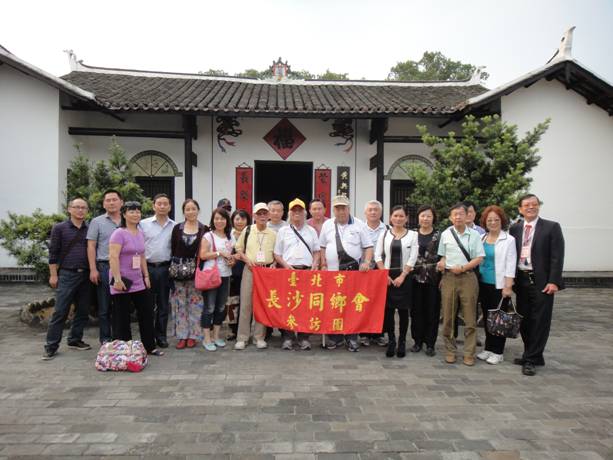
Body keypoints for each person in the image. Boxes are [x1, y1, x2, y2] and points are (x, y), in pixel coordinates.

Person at [509, 194, 564, 376]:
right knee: (524, 320)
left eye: (534, 204)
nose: (530, 207)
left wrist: (554, 281)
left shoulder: (551, 227)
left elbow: (557, 256)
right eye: (526, 205)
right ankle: (532, 354)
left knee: (540, 321)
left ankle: (531, 359)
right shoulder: (515, 229)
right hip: (522, 280)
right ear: (520, 209)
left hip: (542, 282)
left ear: (538, 206)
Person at [319, 195, 373, 352]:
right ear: (333, 210)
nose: (340, 211)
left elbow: (368, 247)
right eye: (337, 208)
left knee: (351, 305)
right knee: (334, 304)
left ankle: (351, 337)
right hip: (332, 274)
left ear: (349, 208)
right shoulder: (327, 224)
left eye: (343, 208)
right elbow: (322, 247)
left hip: (352, 274)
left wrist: (366, 262)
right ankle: (335, 337)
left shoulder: (359, 225)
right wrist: (323, 264)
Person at [108, 201, 163, 356]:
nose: (136, 214)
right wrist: (117, 279)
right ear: (124, 214)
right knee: (122, 317)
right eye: (132, 211)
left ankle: (149, 346)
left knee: (146, 313)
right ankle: (126, 350)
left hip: (138, 279)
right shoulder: (118, 233)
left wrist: (146, 275)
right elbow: (113, 257)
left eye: (138, 211)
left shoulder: (139, 232)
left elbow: (142, 255)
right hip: (122, 280)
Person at [42, 198, 92, 360]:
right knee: (60, 311)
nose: (80, 210)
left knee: (83, 310)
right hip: (67, 274)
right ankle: (51, 346)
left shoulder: (90, 228)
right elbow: (53, 253)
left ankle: (75, 339)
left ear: (87, 211)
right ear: (69, 209)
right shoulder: (59, 228)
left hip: (86, 275)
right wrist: (53, 274)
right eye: (77, 207)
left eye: (83, 208)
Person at [437, 202, 485, 366]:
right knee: (448, 317)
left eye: (461, 214)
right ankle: (450, 351)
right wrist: (442, 263)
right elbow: (443, 256)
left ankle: (469, 353)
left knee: (470, 317)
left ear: (467, 216)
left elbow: (479, 258)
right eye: (455, 214)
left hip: (468, 277)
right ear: (450, 218)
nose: (458, 217)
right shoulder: (446, 234)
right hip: (449, 278)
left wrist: (463, 268)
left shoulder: (475, 235)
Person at [273, 198, 321, 351]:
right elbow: (277, 254)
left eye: (300, 210)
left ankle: (303, 337)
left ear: (305, 213)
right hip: (288, 272)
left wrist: (315, 264)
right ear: (290, 213)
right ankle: (288, 337)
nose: (297, 213)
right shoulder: (283, 231)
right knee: (288, 304)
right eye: (294, 211)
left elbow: (317, 251)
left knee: (305, 305)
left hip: (306, 272)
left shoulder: (311, 230)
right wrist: (286, 266)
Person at [374, 206, 418, 358]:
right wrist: (384, 274)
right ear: (390, 218)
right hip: (387, 277)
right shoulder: (384, 234)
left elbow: (413, 257)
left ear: (406, 218)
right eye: (395, 216)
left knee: (404, 311)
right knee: (388, 311)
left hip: (405, 276)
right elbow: (378, 256)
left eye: (401, 216)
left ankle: (402, 341)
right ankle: (391, 340)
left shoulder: (413, 235)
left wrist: (403, 276)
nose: (398, 219)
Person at [476, 205, 517, 365]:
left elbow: (511, 264)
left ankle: (498, 351)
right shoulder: (482, 238)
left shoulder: (508, 240)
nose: (493, 222)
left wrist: (508, 286)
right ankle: (488, 348)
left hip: (499, 285)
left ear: (502, 221)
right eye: (489, 220)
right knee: (487, 317)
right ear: (485, 222)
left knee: (499, 319)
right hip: (483, 283)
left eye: (496, 220)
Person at [234, 203, 277, 350]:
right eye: (259, 214)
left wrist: (274, 263)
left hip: (265, 272)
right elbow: (238, 248)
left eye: (265, 213)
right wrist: (246, 260)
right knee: (246, 304)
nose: (262, 216)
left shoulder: (273, 234)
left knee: (262, 305)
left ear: (268, 215)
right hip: (250, 270)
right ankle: (242, 338)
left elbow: (277, 253)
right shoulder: (247, 230)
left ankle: (259, 337)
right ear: (254, 216)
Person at [169, 199, 207, 349]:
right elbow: (173, 248)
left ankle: (193, 336)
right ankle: (181, 336)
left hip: (195, 272)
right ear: (183, 212)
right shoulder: (177, 228)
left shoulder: (204, 229)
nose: (191, 212)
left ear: (198, 210)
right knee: (179, 304)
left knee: (195, 303)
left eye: (193, 209)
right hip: (178, 272)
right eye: (187, 209)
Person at [87, 189, 123, 344]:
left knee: (121, 305)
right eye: (108, 200)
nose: (111, 202)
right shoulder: (97, 222)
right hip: (104, 267)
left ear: (121, 202)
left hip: (125, 268)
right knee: (104, 306)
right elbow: (91, 246)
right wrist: (93, 269)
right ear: (103, 204)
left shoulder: (128, 220)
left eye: (114, 199)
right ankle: (105, 339)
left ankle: (120, 337)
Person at [140, 193, 175, 349]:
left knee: (163, 304)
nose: (162, 206)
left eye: (165, 204)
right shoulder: (143, 224)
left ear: (170, 207)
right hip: (147, 268)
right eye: (159, 203)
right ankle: (148, 337)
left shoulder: (174, 226)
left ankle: (161, 336)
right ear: (153, 206)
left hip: (165, 268)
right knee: (147, 305)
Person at [199, 208, 235, 351]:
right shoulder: (208, 236)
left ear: (227, 220)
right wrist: (219, 253)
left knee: (221, 307)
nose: (219, 221)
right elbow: (203, 255)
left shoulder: (230, 236)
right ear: (213, 221)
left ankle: (216, 336)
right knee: (209, 307)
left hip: (225, 275)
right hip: (211, 275)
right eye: (216, 218)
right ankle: (207, 338)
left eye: (222, 218)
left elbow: (231, 255)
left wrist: (232, 261)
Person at [410, 205, 441, 357]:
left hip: (433, 279)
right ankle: (417, 341)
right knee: (416, 311)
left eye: (429, 216)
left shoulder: (440, 235)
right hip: (414, 278)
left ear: (433, 218)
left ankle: (430, 343)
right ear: (418, 217)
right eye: (423, 216)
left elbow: (444, 255)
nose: (425, 219)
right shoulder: (412, 234)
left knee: (432, 311)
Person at [361, 200, 388, 347]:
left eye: (376, 210)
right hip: (363, 271)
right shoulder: (359, 228)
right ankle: (364, 334)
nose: (373, 212)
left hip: (381, 271)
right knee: (363, 302)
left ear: (381, 212)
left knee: (380, 303)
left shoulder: (388, 229)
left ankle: (379, 334)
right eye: (370, 210)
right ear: (365, 212)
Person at [226, 209, 251, 340]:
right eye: (237, 219)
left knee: (245, 302)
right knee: (232, 301)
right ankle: (233, 329)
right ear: (232, 220)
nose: (240, 221)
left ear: (247, 220)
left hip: (246, 271)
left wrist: (239, 256)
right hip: (230, 271)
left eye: (243, 219)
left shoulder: (251, 233)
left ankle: (245, 329)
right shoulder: (228, 234)